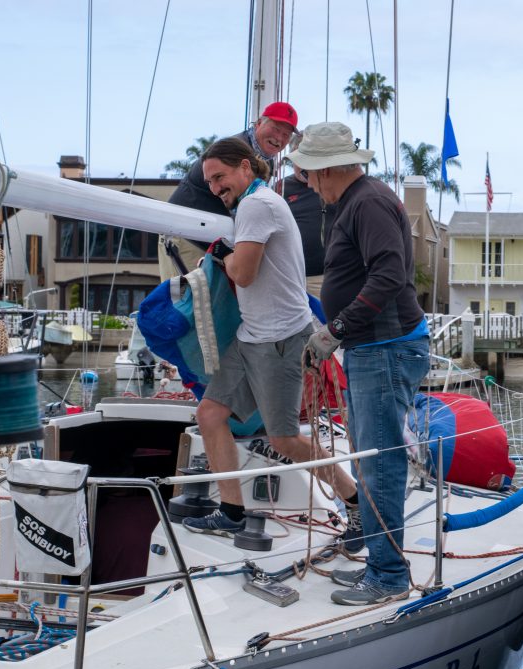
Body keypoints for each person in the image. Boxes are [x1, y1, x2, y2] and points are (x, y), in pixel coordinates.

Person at [181, 137, 356, 537]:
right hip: (252, 335)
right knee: (210, 415)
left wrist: (219, 255)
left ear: (245, 167)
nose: (215, 188)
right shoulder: (253, 204)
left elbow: (243, 274)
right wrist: (227, 254)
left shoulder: (257, 206)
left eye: (220, 177)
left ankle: (355, 500)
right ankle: (231, 512)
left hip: (282, 339)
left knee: (285, 440)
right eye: (209, 182)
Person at [290, 122, 430, 606]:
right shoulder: (358, 200)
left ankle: (388, 576)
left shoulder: (366, 202)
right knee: (371, 461)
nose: (309, 184)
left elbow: (389, 273)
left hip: (384, 347)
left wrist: (336, 329)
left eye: (309, 174)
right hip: (373, 348)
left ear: (327, 170)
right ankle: (380, 564)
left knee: (379, 463)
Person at [158, 101, 299, 279]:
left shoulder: (265, 161)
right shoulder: (234, 150)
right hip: (187, 236)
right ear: (258, 124)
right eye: (276, 128)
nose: (279, 137)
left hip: (212, 240)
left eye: (286, 134)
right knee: (188, 296)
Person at [276, 133, 335, 299]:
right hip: (289, 279)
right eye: (299, 159)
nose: (303, 166)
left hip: (325, 278)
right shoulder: (281, 187)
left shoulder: (332, 185)